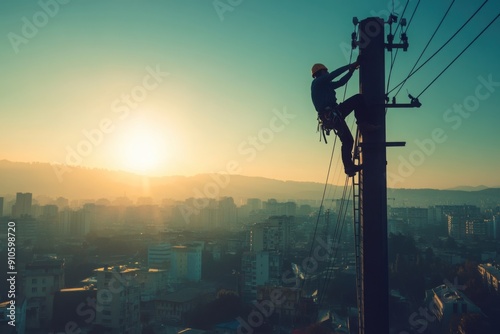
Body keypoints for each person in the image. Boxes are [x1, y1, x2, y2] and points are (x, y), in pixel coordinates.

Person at [310, 58, 375, 176]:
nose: (328, 73)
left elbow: (341, 82)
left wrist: (352, 70)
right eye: (326, 71)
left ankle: (349, 168)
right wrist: (351, 65)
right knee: (358, 99)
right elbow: (334, 75)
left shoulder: (325, 85)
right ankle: (363, 124)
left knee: (347, 141)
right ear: (321, 73)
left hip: (333, 114)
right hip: (332, 114)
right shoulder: (317, 83)